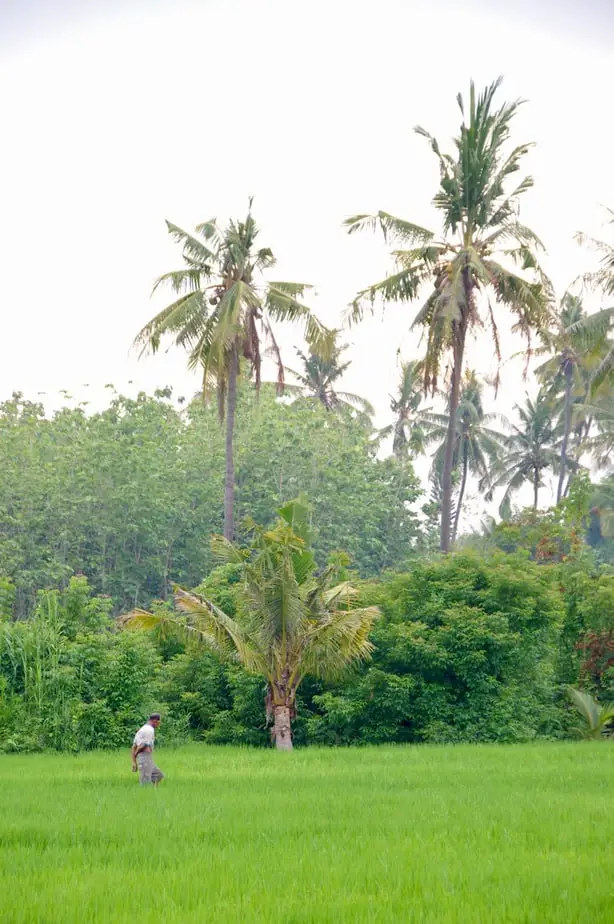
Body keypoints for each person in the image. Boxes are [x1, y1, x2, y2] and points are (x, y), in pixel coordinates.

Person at [131, 713, 164, 786]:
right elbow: (143, 745)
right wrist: (136, 756)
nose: (158, 725)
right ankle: (145, 794)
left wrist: (134, 761)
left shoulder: (143, 728)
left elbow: (134, 746)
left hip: (147, 758)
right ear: (155, 721)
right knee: (145, 781)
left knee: (158, 775)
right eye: (159, 722)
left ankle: (153, 794)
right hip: (144, 757)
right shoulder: (149, 730)